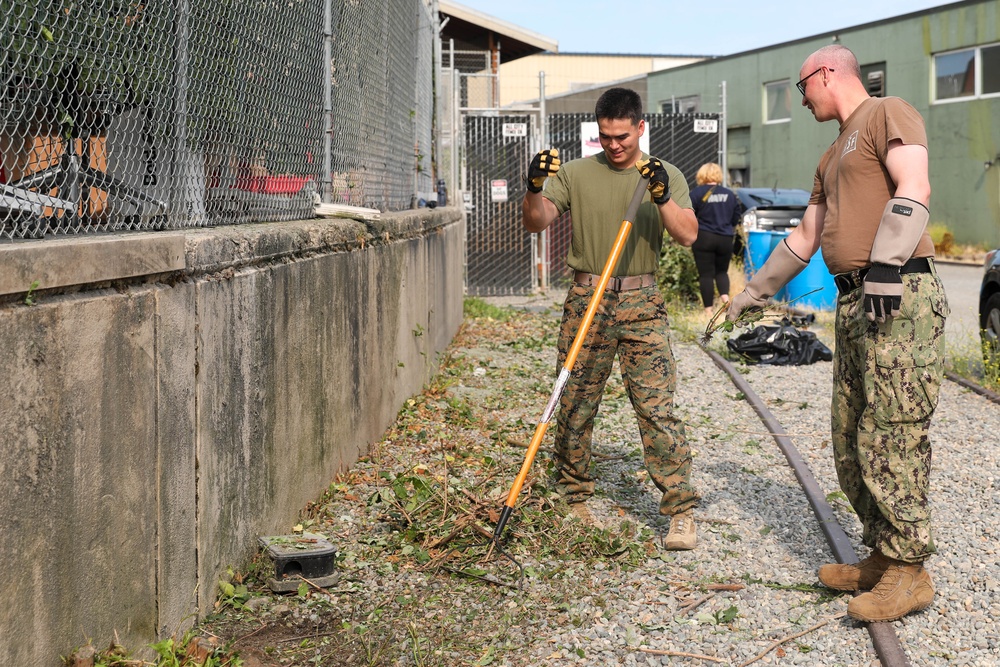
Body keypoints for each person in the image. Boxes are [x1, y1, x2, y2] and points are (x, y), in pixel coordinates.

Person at [726, 45, 948, 622]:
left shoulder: (886, 113)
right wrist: (750, 293)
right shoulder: (831, 155)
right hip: (855, 303)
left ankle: (910, 570)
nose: (801, 100)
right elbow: (805, 236)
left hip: (898, 295)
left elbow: (915, 185)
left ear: (827, 73)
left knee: (892, 432)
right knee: (850, 435)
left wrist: (885, 264)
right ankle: (883, 555)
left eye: (802, 87)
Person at [522, 87, 701, 550]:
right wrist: (533, 187)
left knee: (656, 408)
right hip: (588, 297)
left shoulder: (664, 175)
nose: (614, 145)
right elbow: (536, 221)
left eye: (622, 136)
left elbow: (687, 235)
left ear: (640, 127)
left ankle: (680, 511)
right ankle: (573, 494)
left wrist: (661, 197)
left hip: (642, 303)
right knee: (576, 399)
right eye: (605, 137)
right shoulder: (578, 172)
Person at [690, 163, 743, 316]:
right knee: (722, 272)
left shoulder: (696, 193)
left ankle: (708, 311)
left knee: (706, 274)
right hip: (725, 238)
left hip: (704, 237)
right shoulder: (729, 194)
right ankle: (726, 300)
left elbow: (689, 215)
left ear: (701, 175)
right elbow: (736, 217)